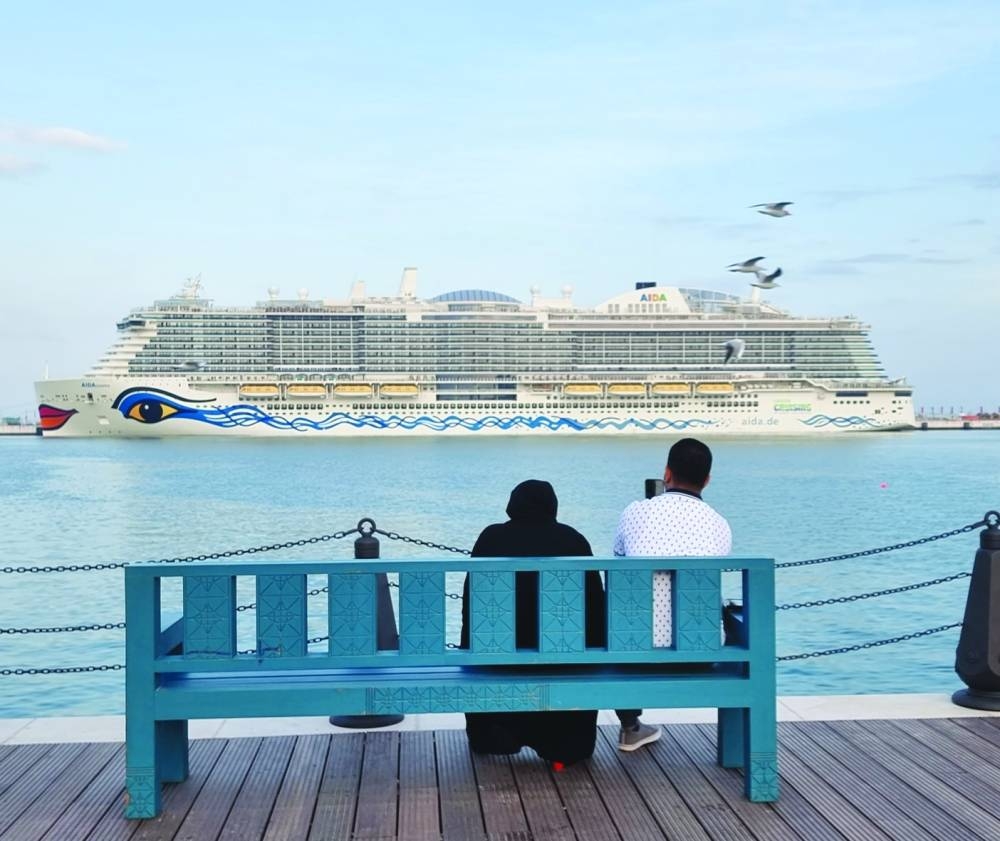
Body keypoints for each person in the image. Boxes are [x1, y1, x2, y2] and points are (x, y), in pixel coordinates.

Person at [460, 479, 606, 767]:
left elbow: (470, 611)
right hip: (564, 703)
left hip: (496, 691)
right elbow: (596, 615)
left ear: (512, 505)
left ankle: (501, 730)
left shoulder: (490, 539)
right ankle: (556, 739)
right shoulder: (574, 541)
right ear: (553, 507)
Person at [612, 437, 732, 751]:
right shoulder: (720, 525)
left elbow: (619, 559)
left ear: (666, 474)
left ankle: (630, 725)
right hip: (698, 653)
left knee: (624, 615)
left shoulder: (635, 512)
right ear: (707, 480)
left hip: (632, 652)